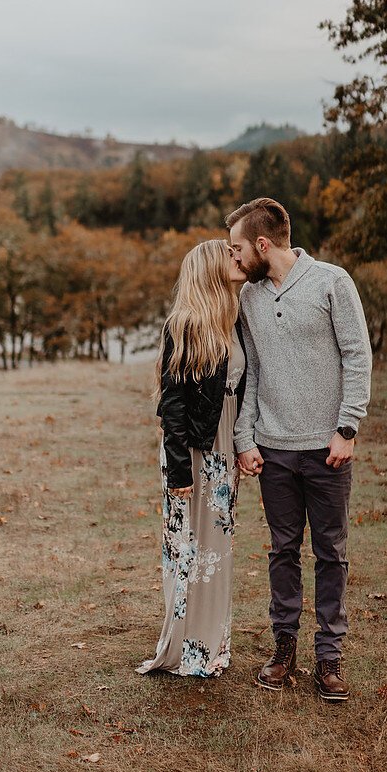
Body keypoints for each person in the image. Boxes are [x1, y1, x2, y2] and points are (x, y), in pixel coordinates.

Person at [227, 197, 372, 701]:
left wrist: (347, 428)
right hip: (274, 451)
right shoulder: (248, 299)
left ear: (263, 244)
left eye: (238, 248)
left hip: (327, 450)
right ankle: (283, 648)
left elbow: (357, 356)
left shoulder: (333, 281)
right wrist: (245, 438)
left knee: (330, 553)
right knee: (282, 551)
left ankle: (329, 659)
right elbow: (253, 372)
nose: (235, 259)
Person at [135, 239, 247, 678]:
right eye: (230, 256)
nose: (237, 260)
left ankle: (210, 645)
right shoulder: (184, 324)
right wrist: (180, 467)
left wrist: (243, 443)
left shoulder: (234, 319)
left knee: (217, 548)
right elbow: (173, 403)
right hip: (193, 451)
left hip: (224, 447)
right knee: (188, 548)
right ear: (210, 269)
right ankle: (184, 647)